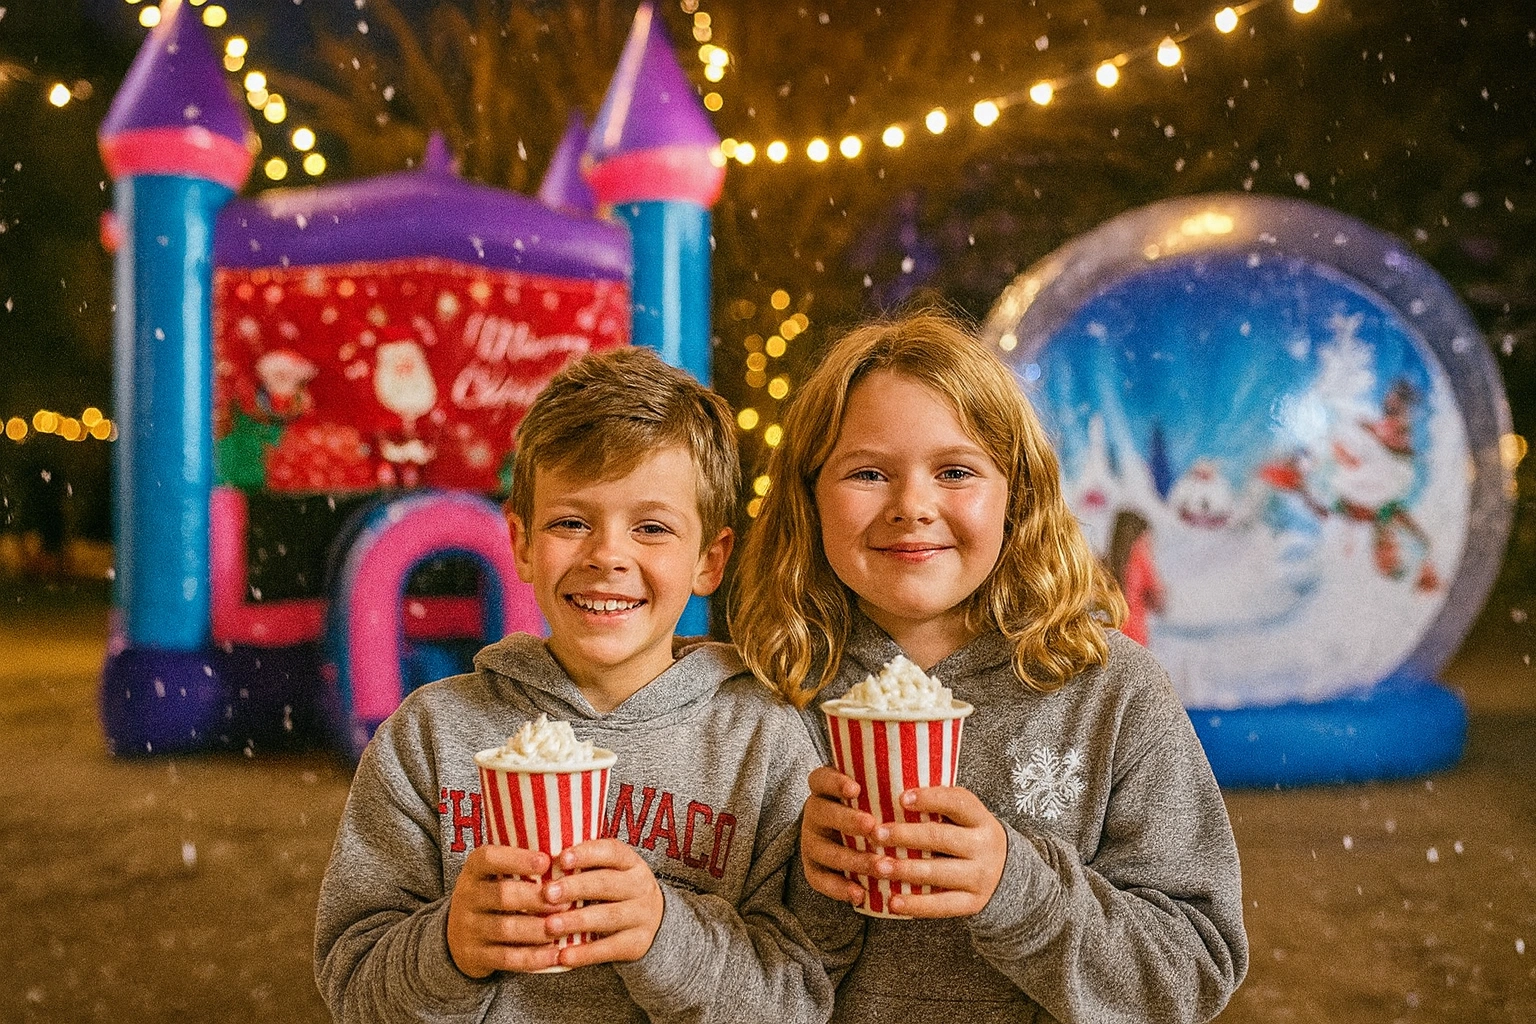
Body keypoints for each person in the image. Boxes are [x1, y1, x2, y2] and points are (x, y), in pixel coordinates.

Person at [730, 311, 1247, 1024]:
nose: (913, 506)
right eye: (869, 472)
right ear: (809, 496)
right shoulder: (763, 693)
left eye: (955, 471)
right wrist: (808, 890)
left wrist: (1017, 889)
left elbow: (1191, 970)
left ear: (1017, 493)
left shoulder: (1112, 694)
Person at [315, 347, 833, 1024]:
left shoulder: (765, 743)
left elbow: (803, 1000)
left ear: (710, 559)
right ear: (522, 543)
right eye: (571, 523)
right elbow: (353, 986)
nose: (607, 555)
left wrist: (663, 935)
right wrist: (449, 948)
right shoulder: (430, 736)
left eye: (651, 527)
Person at [1106, 509, 1164, 647]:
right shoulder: (1140, 562)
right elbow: (1159, 602)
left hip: (1109, 640)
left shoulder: (1104, 564)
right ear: (1138, 538)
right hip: (1135, 641)